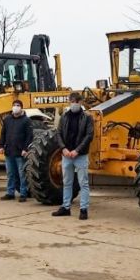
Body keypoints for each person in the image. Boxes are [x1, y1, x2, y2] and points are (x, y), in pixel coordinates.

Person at [52, 92, 94, 220]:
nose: (74, 103)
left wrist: (77, 150)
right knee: (67, 182)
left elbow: (89, 136)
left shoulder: (87, 118)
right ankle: (66, 207)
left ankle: (83, 209)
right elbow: (58, 133)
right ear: (69, 101)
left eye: (77, 101)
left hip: (80, 155)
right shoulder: (64, 117)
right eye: (72, 101)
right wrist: (63, 148)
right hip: (66, 155)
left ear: (80, 102)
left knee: (83, 183)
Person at [0, 100, 34, 202]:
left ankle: (23, 193)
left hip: (20, 152)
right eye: (14, 105)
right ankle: (10, 192)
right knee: (10, 173)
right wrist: (1, 146)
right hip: (9, 151)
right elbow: (3, 134)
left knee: (21, 174)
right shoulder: (7, 120)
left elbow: (29, 136)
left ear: (21, 108)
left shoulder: (26, 121)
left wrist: (25, 149)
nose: (16, 107)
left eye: (18, 105)